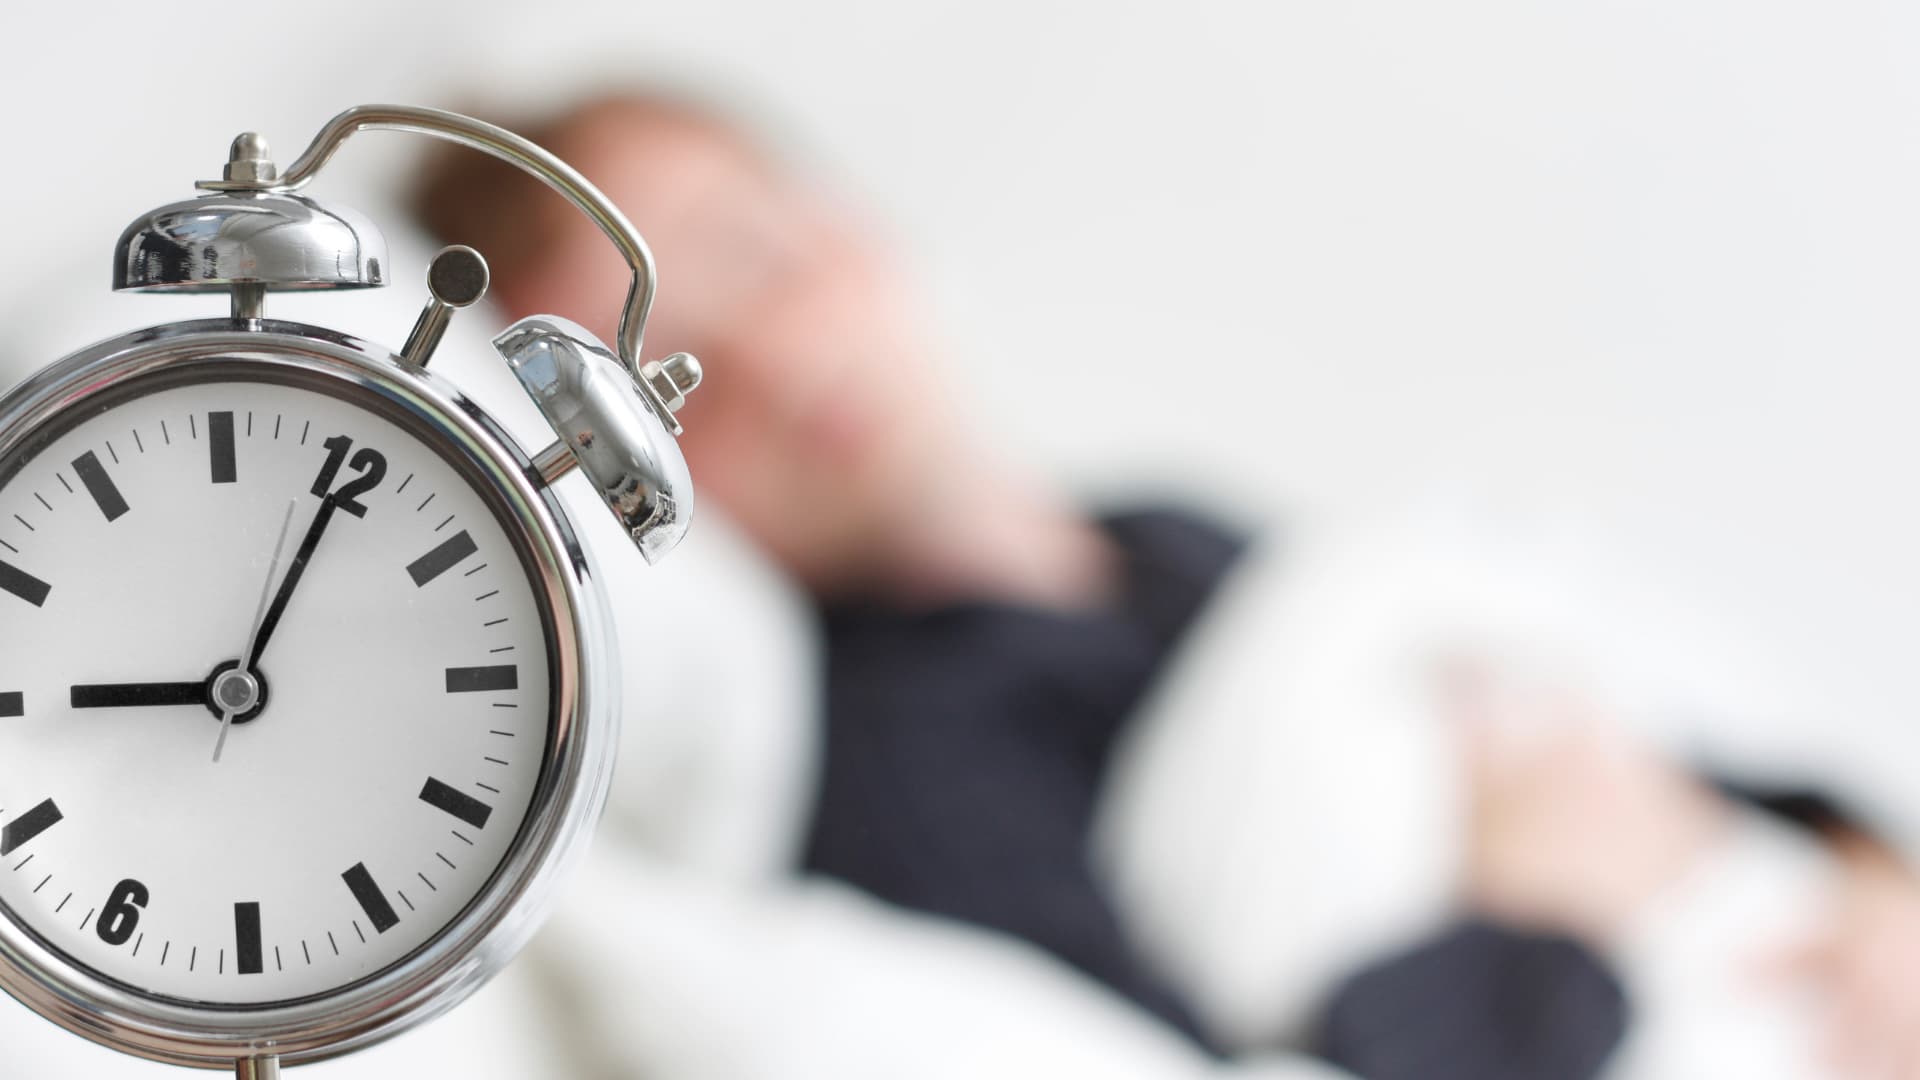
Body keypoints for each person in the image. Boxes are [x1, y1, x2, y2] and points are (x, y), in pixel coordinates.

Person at [412, 92, 1920, 1079]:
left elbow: (1618, 730)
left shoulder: (1188, 544)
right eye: (678, 385)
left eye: (762, 258)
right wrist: (1555, 927)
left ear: (864, 235)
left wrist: (1862, 877)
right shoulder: (901, 774)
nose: (783, 360)